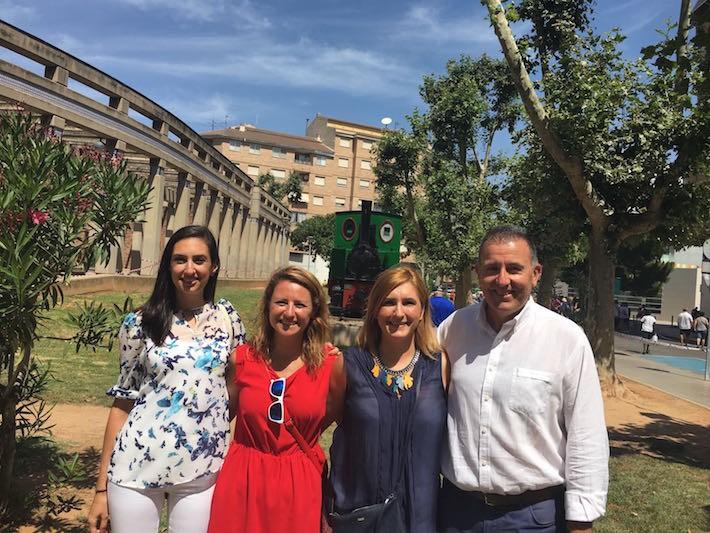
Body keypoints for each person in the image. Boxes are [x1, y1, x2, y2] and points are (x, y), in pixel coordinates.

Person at [438, 225, 609, 533]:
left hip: (532, 518)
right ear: (478, 273)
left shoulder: (566, 339)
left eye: (514, 269)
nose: (502, 280)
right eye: (492, 269)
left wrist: (581, 520)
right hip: (457, 512)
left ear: (535, 273)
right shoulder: (453, 330)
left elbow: (586, 436)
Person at [88, 225, 246, 533]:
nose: (189, 269)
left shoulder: (228, 319)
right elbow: (123, 403)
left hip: (202, 472)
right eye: (180, 260)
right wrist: (101, 490)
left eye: (199, 260)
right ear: (168, 265)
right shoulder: (140, 322)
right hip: (136, 467)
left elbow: (236, 388)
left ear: (214, 266)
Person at [208, 266, 342, 533]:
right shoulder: (242, 359)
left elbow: (331, 415)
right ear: (268, 306)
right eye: (281, 302)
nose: (289, 313)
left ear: (313, 312)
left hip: (299, 483)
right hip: (242, 479)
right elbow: (221, 419)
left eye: (300, 305)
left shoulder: (330, 365)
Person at [327, 266, 447, 532]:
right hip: (361, 518)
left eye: (409, 303)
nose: (398, 313)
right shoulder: (347, 365)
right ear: (374, 310)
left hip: (421, 519)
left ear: (422, 311)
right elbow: (321, 424)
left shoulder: (440, 367)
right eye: (388, 302)